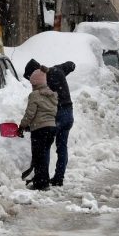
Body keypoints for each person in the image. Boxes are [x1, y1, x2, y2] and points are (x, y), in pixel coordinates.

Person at [24, 58, 76, 186]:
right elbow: (71, 65)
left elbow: (39, 109)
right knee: (62, 147)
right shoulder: (57, 69)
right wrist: (65, 69)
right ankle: (59, 178)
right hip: (68, 113)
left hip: (55, 115)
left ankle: (43, 178)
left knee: (45, 145)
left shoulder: (43, 83)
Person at [17, 69, 58, 191]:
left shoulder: (35, 95)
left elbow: (30, 113)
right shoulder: (53, 95)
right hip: (51, 128)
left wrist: (22, 126)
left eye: (32, 84)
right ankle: (44, 181)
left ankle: (40, 183)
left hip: (40, 130)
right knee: (44, 155)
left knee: (38, 156)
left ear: (35, 84)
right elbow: (50, 112)